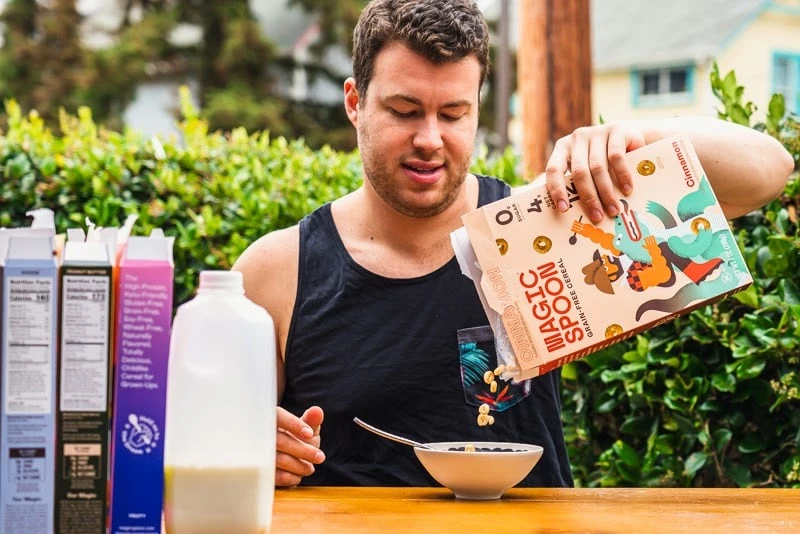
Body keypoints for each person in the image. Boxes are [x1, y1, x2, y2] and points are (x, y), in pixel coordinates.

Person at [232, 0, 794, 488]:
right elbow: (210, 436)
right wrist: (246, 444)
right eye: (404, 111)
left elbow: (769, 171)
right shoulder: (278, 271)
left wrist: (633, 137)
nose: (430, 139)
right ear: (355, 102)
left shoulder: (537, 227)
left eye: (454, 114)